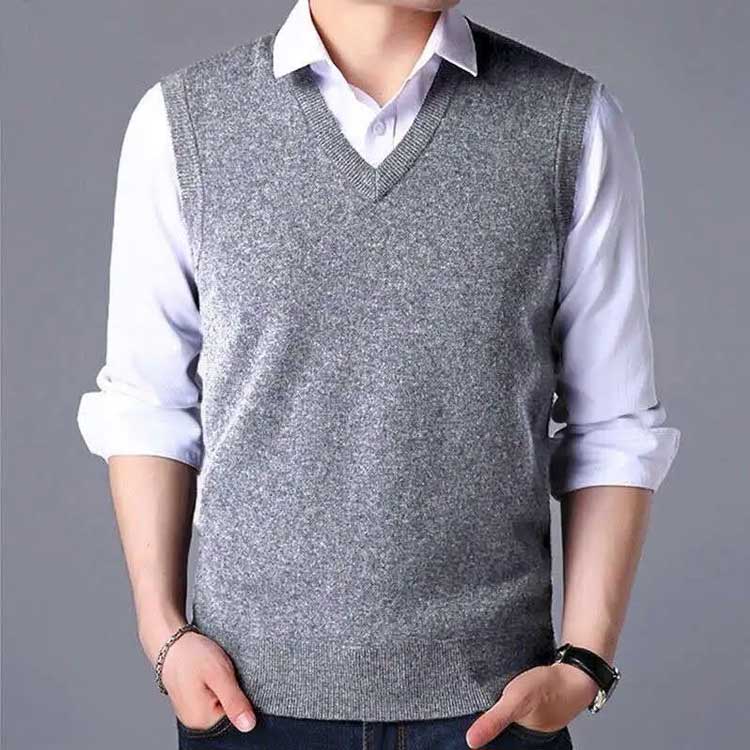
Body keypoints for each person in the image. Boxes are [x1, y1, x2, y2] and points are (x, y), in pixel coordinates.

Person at [76, 1, 681, 748]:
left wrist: (584, 661)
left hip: (493, 709)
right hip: (249, 706)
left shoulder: (571, 123)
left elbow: (614, 423)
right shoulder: (184, 123)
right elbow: (148, 404)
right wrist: (164, 635)